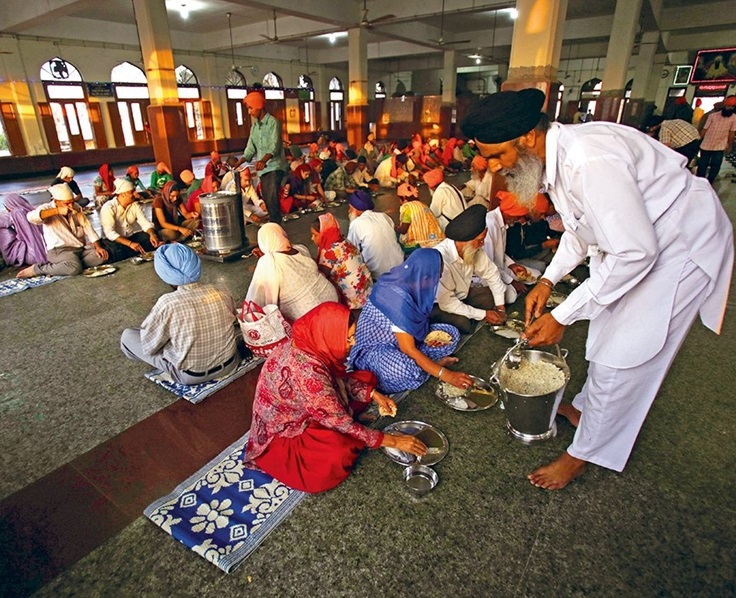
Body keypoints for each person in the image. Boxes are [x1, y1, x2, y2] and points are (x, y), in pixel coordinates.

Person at [461, 87, 733, 490]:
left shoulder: (588, 162)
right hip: (637, 243)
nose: (494, 166)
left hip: (677, 247)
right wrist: (550, 279)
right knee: (604, 330)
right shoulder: (557, 158)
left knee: (625, 354)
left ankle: (584, 453)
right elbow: (579, 229)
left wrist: (562, 315)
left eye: (498, 154)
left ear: (528, 138)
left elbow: (637, 253)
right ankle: (589, 411)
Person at [243, 302, 426, 494]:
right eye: (348, 339)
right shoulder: (307, 375)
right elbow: (342, 423)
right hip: (285, 432)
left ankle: (354, 406)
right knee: (337, 452)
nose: (352, 344)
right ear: (326, 335)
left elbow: (334, 380)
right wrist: (394, 441)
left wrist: (374, 394)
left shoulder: (309, 342)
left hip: (313, 403)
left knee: (367, 380)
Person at [350, 248, 472, 395]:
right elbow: (408, 349)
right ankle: (428, 368)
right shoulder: (397, 299)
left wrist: (425, 338)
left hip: (403, 341)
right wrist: (446, 374)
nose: (436, 282)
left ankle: (423, 366)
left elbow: (412, 329)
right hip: (375, 353)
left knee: (450, 334)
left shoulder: (406, 278)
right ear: (425, 278)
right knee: (402, 369)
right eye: (436, 278)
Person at [120, 244, 238, 385]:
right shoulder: (222, 291)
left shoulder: (167, 303)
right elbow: (234, 322)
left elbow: (149, 347)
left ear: (164, 273)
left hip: (191, 376)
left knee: (128, 336)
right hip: (231, 364)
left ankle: (168, 367)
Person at [430, 204, 507, 334]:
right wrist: (483, 314)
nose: (482, 243)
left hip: (462, 296)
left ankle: (471, 314)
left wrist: (500, 308)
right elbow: (447, 302)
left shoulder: (473, 249)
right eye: (480, 240)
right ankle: (466, 318)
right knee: (463, 323)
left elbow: (491, 273)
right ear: (466, 240)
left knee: (491, 297)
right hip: (438, 304)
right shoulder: (441, 258)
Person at [246, 223, 338, 322]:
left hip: (309, 316)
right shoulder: (300, 249)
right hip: (332, 300)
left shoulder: (267, 262)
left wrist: (247, 316)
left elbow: (255, 297)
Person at [17, 183, 108, 278]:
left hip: (79, 250)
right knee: (74, 268)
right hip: (59, 251)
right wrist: (57, 211)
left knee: (101, 257)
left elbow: (87, 227)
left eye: (72, 202)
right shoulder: (47, 208)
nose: (71, 205)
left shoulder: (76, 207)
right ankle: (38, 269)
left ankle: (63, 267)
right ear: (56, 201)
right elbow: (31, 217)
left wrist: (98, 247)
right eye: (66, 203)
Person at [238, 90, 288, 224]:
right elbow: (250, 149)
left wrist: (263, 160)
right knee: (267, 198)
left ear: (259, 106)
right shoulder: (254, 128)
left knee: (271, 197)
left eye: (250, 108)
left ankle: (276, 227)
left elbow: (274, 146)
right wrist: (240, 162)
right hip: (263, 169)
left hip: (275, 166)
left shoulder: (273, 123)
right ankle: (274, 225)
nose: (249, 112)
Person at [483, 192, 541, 304]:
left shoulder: (503, 223)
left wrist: (512, 265)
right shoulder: (490, 224)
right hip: (490, 273)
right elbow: (488, 264)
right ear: (509, 213)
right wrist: (512, 282)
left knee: (536, 274)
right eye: (518, 216)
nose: (519, 219)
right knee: (511, 296)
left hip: (501, 267)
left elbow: (499, 252)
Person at [346, 190, 404, 280]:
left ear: (357, 210)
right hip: (400, 263)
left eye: (350, 208)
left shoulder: (357, 223)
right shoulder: (384, 216)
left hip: (378, 274)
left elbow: (351, 250)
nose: (349, 211)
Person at [100, 178, 162, 262]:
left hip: (130, 237)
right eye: (132, 192)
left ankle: (132, 251)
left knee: (151, 236)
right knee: (116, 250)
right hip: (114, 241)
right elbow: (110, 233)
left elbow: (145, 223)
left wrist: (152, 234)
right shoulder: (108, 207)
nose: (135, 194)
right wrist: (130, 244)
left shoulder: (135, 205)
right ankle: (134, 251)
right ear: (123, 194)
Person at [697, 95, 736, 183]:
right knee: (702, 164)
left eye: (732, 107)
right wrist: (698, 140)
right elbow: (705, 129)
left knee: (716, 165)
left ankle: (710, 182)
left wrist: (730, 145)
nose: (729, 108)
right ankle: (699, 182)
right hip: (706, 144)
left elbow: (731, 133)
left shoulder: (734, 118)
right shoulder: (712, 116)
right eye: (728, 106)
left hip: (720, 145)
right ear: (724, 105)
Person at [0, 194, 47, 268]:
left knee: (2, 230)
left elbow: (2, 222)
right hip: (47, 251)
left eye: (7, 207)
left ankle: (9, 256)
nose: (7, 209)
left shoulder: (15, 213)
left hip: (33, 256)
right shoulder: (33, 211)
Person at [395, 182, 444, 252]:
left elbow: (403, 229)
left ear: (403, 198)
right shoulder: (423, 204)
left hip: (421, 244)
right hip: (437, 239)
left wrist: (396, 228)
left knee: (398, 237)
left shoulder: (408, 208)